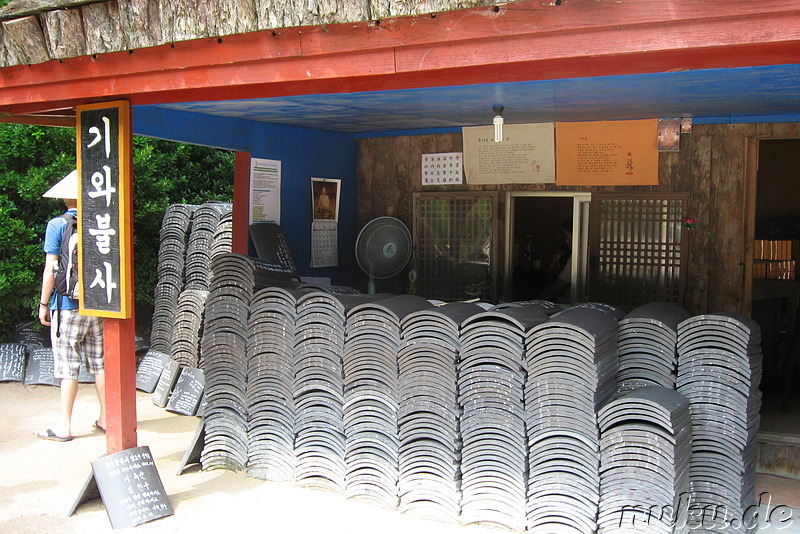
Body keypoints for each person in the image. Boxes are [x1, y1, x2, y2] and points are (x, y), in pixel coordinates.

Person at [37, 170, 106, 442]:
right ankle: (107, 418)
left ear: (64, 197)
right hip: (99, 306)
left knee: (68, 366)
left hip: (66, 305)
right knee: (100, 365)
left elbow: (51, 270)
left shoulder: (57, 225)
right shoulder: (101, 221)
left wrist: (44, 303)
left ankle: (64, 426)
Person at [537, 218, 573, 302]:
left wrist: (534, 302)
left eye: (568, 237)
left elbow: (555, 289)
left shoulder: (576, 261)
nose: (567, 241)